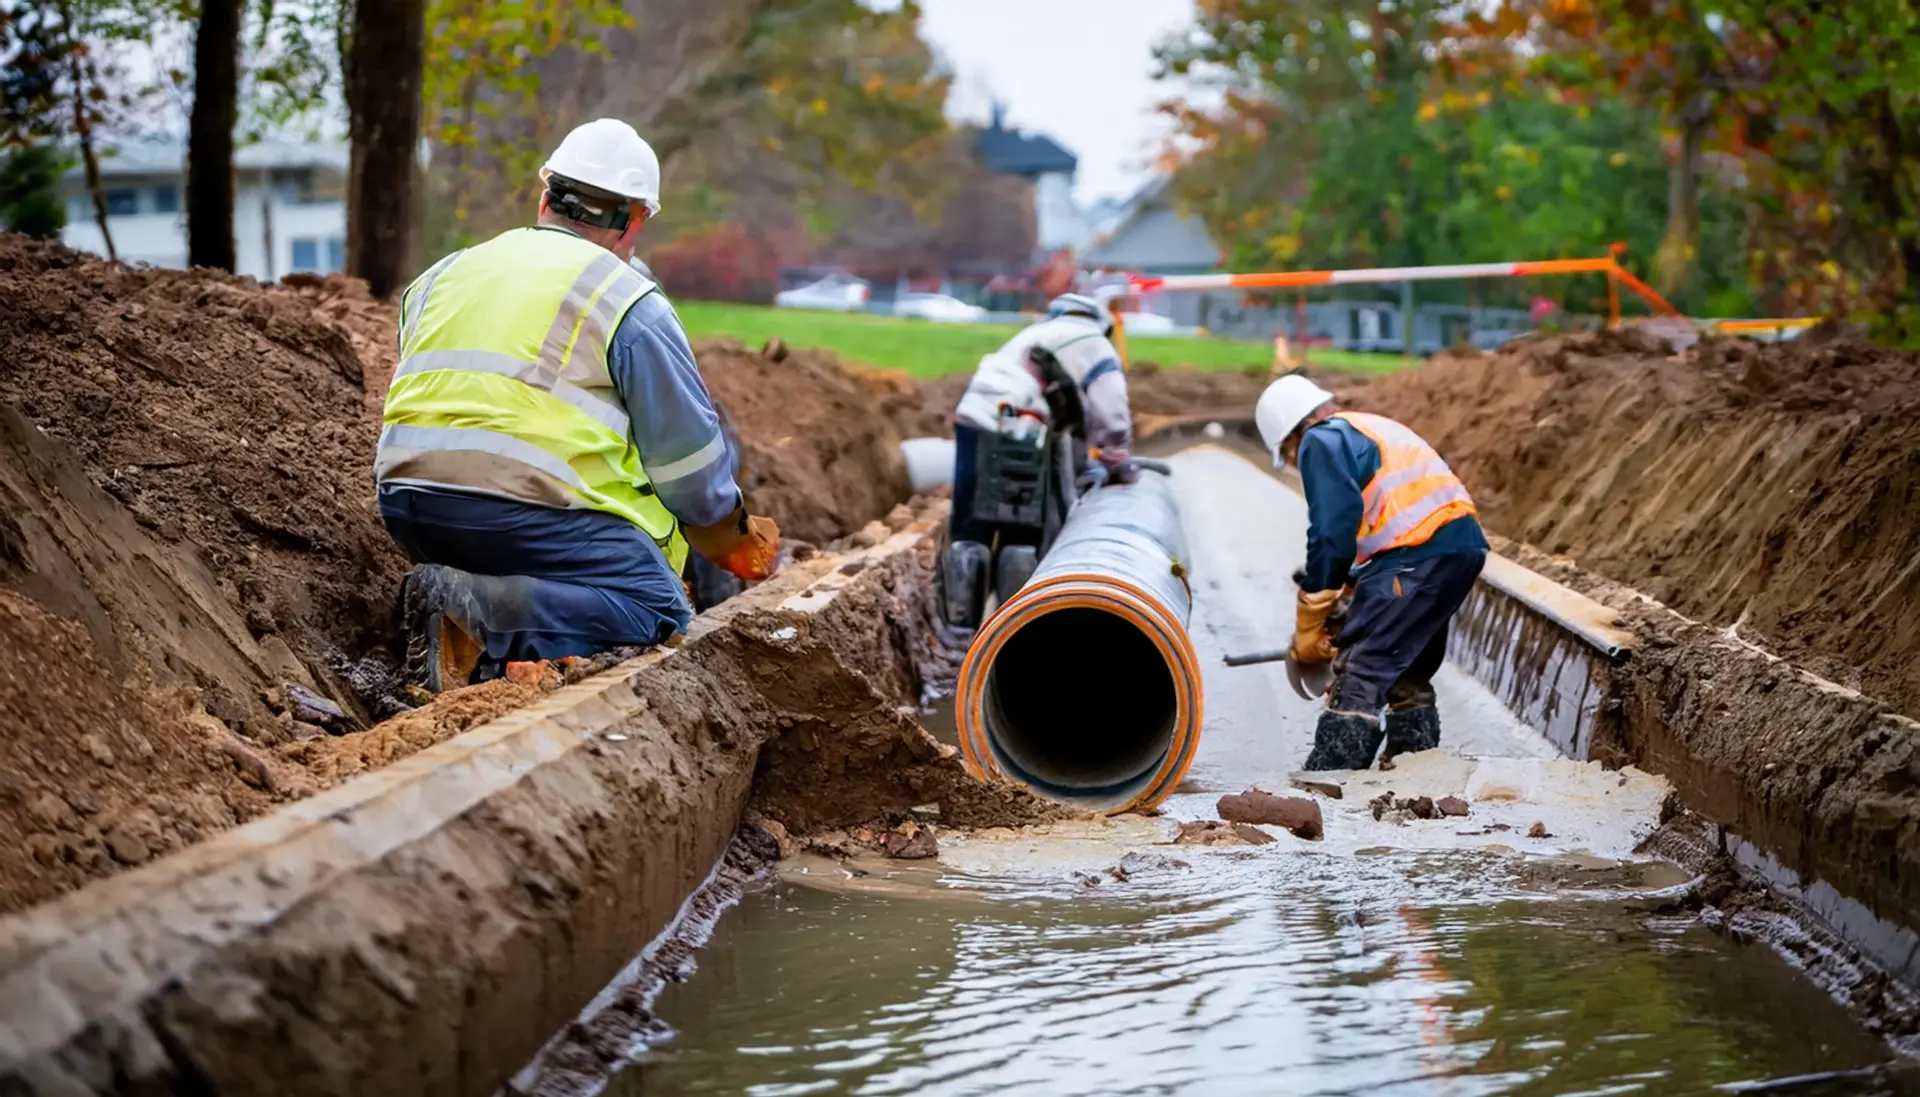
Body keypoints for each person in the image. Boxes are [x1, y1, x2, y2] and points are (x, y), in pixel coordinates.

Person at [375, 118, 779, 691]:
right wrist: (732, 540)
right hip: (524, 519)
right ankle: (475, 610)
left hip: (409, 508)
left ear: (545, 198)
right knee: (654, 606)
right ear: (635, 219)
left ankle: (476, 644)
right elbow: (689, 469)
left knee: (524, 559)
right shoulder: (627, 300)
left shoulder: (441, 275)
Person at [1254, 374, 1488, 770]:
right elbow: (1384, 520)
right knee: (1403, 667)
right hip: (1458, 550)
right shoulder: (1366, 428)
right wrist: (1353, 586)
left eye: (1290, 456)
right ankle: (1415, 772)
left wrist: (1314, 606)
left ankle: (1331, 782)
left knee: (1362, 666)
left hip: (1417, 554)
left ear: (1294, 436)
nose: (1297, 464)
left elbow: (1332, 531)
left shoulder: (1320, 440)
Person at [942, 293, 1134, 627]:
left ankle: (959, 632)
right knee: (1021, 533)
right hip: (1021, 423)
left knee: (971, 530)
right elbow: (1111, 410)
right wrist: (1117, 461)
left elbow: (1071, 423)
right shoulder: (1096, 345)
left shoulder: (1036, 335)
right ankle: (1012, 632)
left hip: (973, 416)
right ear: (1102, 323)